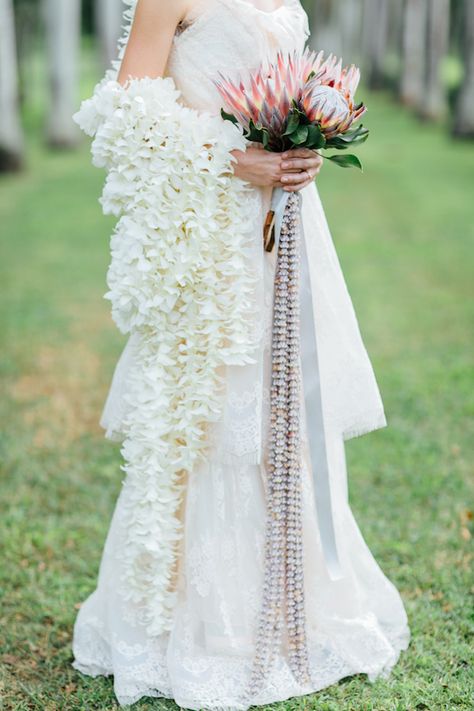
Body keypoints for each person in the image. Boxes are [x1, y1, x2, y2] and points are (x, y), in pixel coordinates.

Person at [71, 1, 410, 708]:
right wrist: (233, 159)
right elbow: (125, 110)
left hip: (287, 228)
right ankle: (207, 623)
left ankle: (297, 606)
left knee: (286, 407)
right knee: (215, 414)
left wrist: (309, 141)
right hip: (210, 237)